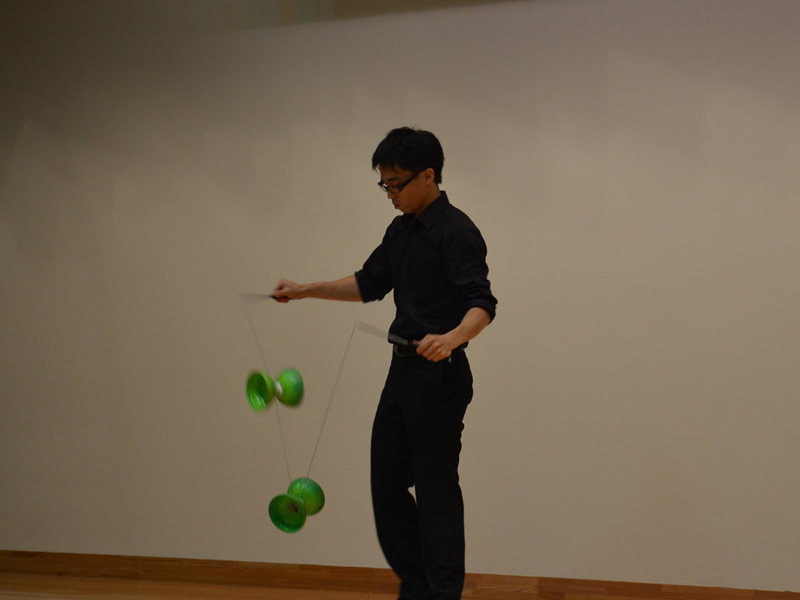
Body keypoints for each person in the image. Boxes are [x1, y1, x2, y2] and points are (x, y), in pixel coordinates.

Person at [272, 126, 497, 600]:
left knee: (435, 491)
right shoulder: (400, 231)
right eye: (384, 185)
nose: (390, 194)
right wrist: (305, 289)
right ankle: (418, 588)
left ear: (428, 175)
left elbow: (482, 305)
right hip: (403, 373)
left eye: (396, 184)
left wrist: (451, 338)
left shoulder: (456, 232)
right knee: (386, 486)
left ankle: (441, 594)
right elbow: (368, 282)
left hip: (440, 375)